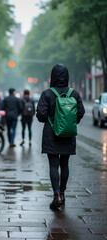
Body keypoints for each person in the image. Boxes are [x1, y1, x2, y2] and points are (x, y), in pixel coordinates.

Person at [36, 63, 85, 209]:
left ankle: (56, 194)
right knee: (64, 164)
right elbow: (80, 112)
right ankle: (63, 194)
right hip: (68, 134)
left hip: (51, 134)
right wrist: (69, 122)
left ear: (53, 77)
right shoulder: (74, 94)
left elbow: (41, 115)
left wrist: (51, 120)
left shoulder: (47, 93)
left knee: (53, 164)